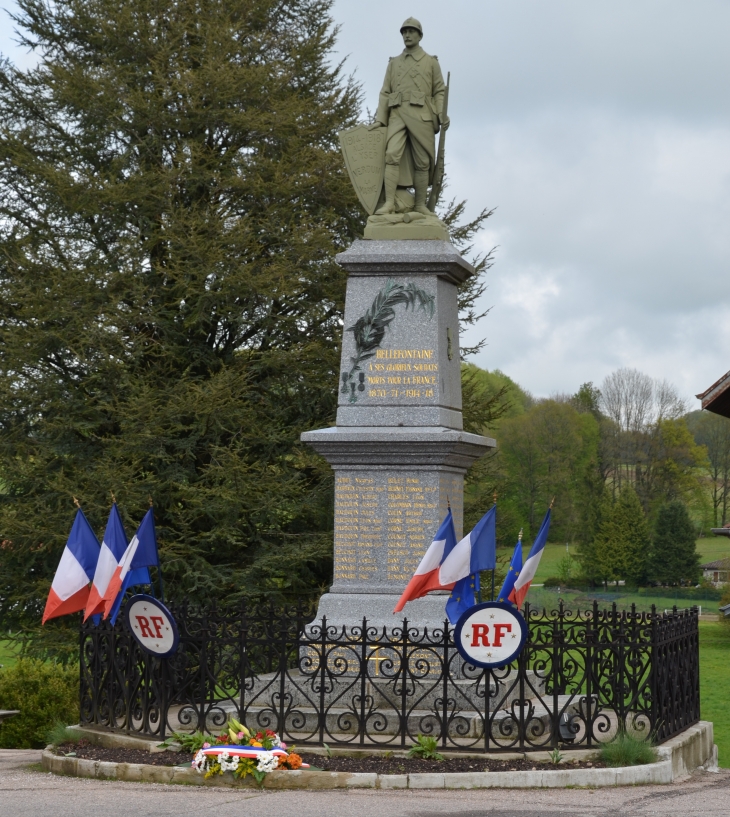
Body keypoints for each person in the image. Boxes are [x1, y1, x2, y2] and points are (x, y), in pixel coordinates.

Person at [371, 18, 449, 216]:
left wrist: (441, 114)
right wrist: (381, 119)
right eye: (404, 31)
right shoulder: (394, 63)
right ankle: (389, 203)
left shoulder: (431, 62)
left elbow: (439, 90)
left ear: (419, 35)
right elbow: (385, 92)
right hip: (397, 115)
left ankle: (420, 205)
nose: (407, 35)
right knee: (391, 155)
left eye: (411, 31)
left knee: (422, 161)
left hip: (422, 115)